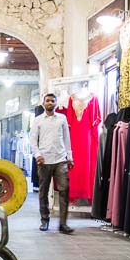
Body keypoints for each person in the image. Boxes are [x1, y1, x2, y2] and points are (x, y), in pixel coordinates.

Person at [30, 93, 75, 233]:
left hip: (60, 159)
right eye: (47, 101)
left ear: (56, 103)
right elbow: (32, 140)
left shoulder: (62, 118)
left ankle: (63, 223)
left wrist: (70, 157)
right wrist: (37, 155)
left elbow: (67, 139)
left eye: (52, 101)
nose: (50, 103)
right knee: (43, 192)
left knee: (64, 190)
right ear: (43, 104)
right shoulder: (37, 120)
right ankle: (44, 220)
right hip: (44, 160)